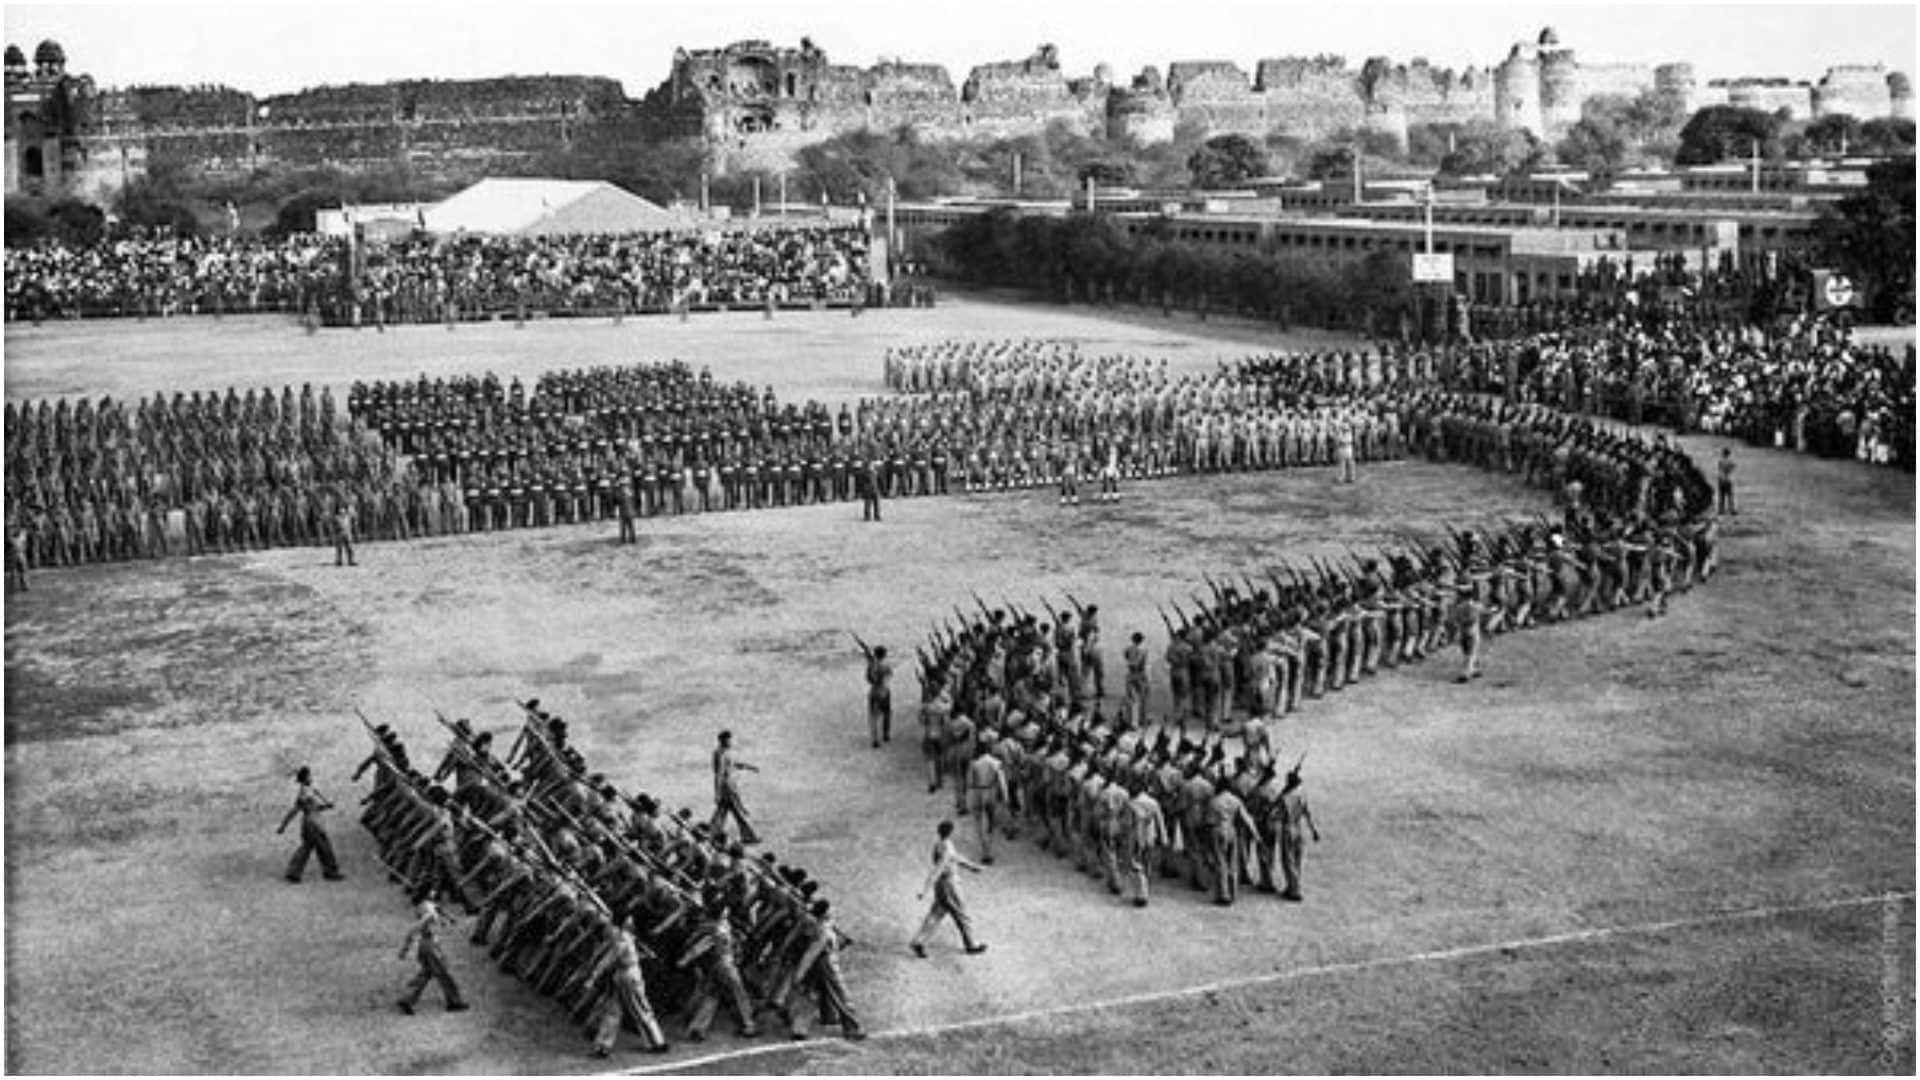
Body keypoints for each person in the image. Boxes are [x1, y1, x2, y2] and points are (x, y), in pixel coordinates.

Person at [587, 916, 669, 1056]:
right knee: (634, 1009)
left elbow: (610, 957)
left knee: (619, 1011)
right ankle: (656, 1042)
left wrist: (594, 975)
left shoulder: (619, 935)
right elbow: (612, 956)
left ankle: (603, 1046)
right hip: (627, 974)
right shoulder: (623, 935)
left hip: (625, 975)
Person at [910, 820, 988, 957]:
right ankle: (971, 945)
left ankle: (919, 941)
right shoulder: (947, 848)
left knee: (936, 913)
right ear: (951, 832)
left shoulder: (940, 844)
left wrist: (971, 866)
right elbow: (937, 870)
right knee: (961, 914)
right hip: (950, 885)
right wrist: (924, 890)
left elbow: (955, 857)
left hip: (941, 885)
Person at [397, 887, 470, 1014]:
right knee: (444, 974)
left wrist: (450, 918)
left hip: (425, 946)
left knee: (426, 973)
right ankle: (454, 1001)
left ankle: (407, 998)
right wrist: (405, 948)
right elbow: (415, 928)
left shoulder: (424, 905)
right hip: (430, 946)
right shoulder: (429, 913)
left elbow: (439, 909)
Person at [277, 766, 343, 882]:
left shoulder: (307, 791)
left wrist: (326, 806)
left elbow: (313, 808)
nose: (311, 777)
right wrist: (283, 825)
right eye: (309, 775)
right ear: (306, 777)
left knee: (307, 848)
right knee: (324, 847)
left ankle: (294, 872)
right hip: (313, 824)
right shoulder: (305, 793)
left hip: (312, 823)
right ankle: (330, 871)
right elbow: (296, 810)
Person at [1275, 764, 1321, 902]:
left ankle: (1294, 889)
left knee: (1288, 860)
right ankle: (1292, 886)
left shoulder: (1285, 797)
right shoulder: (1301, 795)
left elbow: (1277, 815)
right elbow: (1308, 814)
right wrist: (1313, 830)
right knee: (1297, 860)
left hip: (1288, 829)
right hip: (1299, 828)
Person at [710, 730, 761, 845]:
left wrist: (749, 767)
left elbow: (734, 764)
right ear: (723, 740)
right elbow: (718, 774)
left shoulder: (726, 752)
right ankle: (749, 836)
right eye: (729, 739)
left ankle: (712, 833)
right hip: (727, 787)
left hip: (730, 785)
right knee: (738, 810)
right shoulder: (720, 753)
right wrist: (717, 793)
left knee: (722, 811)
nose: (731, 741)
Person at [865, 644, 894, 748]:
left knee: (873, 716)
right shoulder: (886, 666)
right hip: (885, 692)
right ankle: (886, 734)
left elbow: (869, 679)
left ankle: (875, 739)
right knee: (887, 714)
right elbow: (889, 676)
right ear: (884, 655)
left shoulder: (872, 665)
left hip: (874, 692)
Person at [1716, 447, 1737, 515]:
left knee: (1721, 496)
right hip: (1728, 479)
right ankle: (1732, 509)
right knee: (1730, 495)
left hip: (1721, 479)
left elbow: (1719, 468)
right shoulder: (1730, 461)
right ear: (1728, 454)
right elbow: (1733, 466)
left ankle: (1721, 510)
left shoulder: (1720, 461)